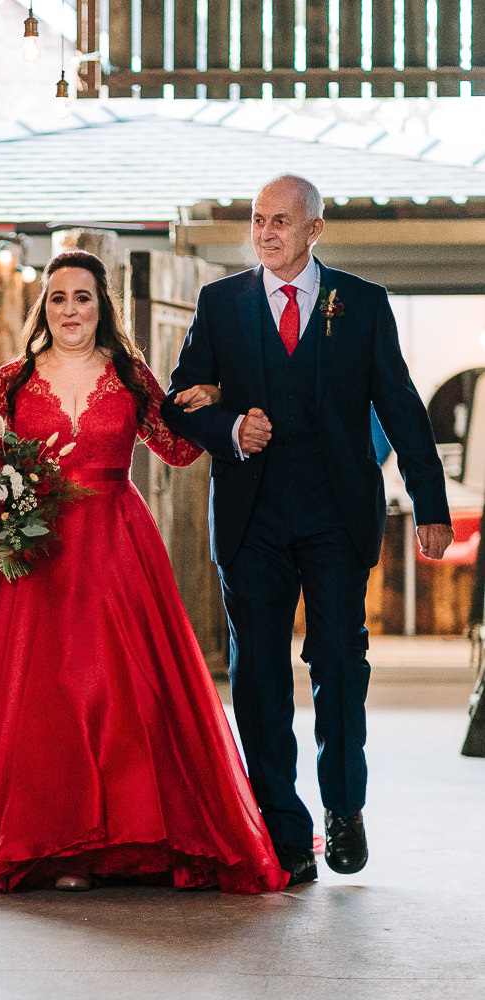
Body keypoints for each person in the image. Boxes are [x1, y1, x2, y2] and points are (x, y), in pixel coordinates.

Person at [0, 250, 288, 894]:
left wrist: (209, 400)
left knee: (111, 690)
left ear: (101, 306)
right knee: (40, 697)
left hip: (116, 548)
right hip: (36, 555)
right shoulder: (13, 380)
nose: (70, 310)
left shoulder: (131, 377)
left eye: (82, 297)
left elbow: (176, 449)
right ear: (44, 308)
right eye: (58, 298)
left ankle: (123, 836)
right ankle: (48, 841)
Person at [162, 174, 452, 885]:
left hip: (335, 516)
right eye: (258, 219)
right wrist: (230, 426)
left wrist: (430, 503)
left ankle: (344, 809)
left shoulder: (363, 303)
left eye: (281, 221)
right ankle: (282, 827)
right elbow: (178, 403)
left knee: (340, 665)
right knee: (258, 674)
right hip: (252, 519)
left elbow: (402, 407)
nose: (265, 233)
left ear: (314, 229)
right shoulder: (221, 303)